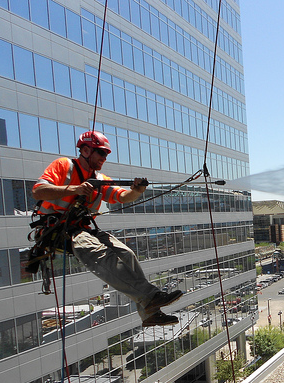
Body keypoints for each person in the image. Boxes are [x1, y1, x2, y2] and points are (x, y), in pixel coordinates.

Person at [32, 131, 182, 327]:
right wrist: (74, 189)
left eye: (106, 154)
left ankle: (150, 313)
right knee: (102, 254)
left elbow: (121, 196)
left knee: (126, 254)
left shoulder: (99, 178)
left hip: (83, 229)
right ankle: (150, 296)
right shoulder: (64, 166)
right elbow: (38, 191)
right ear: (85, 150)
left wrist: (136, 191)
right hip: (57, 229)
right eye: (101, 153)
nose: (104, 158)